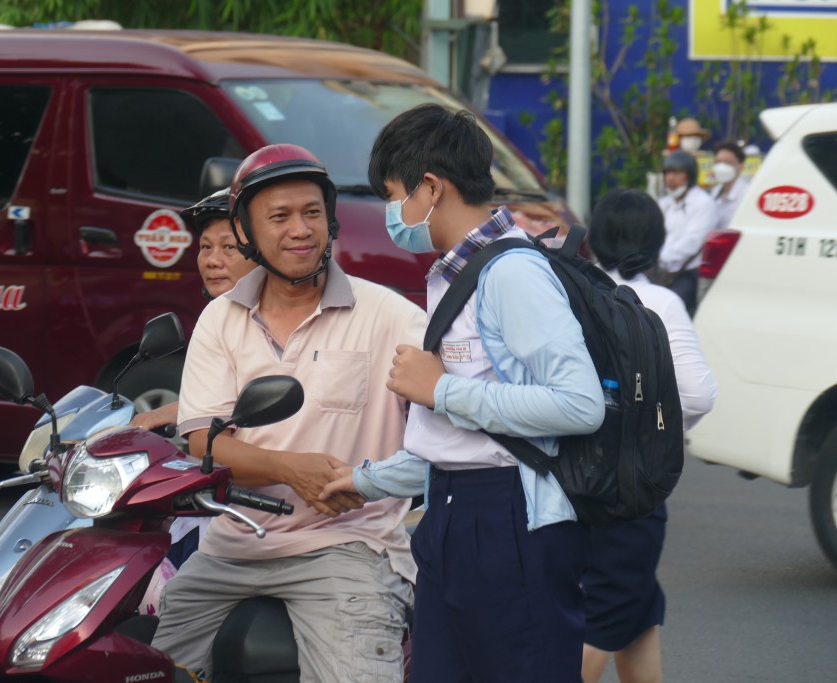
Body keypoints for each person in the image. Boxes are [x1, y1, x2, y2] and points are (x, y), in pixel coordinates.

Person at [323, 103, 606, 682]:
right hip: (455, 513)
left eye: (393, 193)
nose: (390, 213)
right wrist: (360, 481)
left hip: (510, 520)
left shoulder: (511, 274)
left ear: (431, 187)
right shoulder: (457, 272)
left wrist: (441, 389)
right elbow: (453, 445)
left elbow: (579, 403)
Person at [150, 143, 427, 682]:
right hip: (229, 549)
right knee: (144, 666)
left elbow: (451, 404)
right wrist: (288, 469)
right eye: (279, 217)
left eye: (312, 213)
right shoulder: (220, 319)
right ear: (248, 232)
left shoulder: (389, 315)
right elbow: (205, 441)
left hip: (347, 546)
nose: (300, 229)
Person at [582, 188, 717, 683]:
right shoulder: (658, 301)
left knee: (636, 609)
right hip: (632, 486)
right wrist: (656, 434)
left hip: (576, 479)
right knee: (609, 609)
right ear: (657, 241)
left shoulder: (575, 293)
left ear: (594, 240)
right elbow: (698, 395)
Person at [129, 187, 257, 434]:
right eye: (206, 247)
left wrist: (169, 411)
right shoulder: (217, 317)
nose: (212, 260)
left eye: (229, 247)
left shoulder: (277, 319)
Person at [657, 150, 718, 317]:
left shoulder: (703, 203)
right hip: (661, 271)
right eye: (667, 173)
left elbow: (692, 243)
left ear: (689, 175)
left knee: (669, 312)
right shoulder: (664, 203)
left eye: (677, 173)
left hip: (689, 274)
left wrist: (660, 258)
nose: (670, 179)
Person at [709, 140, 750, 230]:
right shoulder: (715, 191)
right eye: (719, 162)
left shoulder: (747, 194)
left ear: (741, 166)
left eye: (728, 163)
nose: (722, 167)